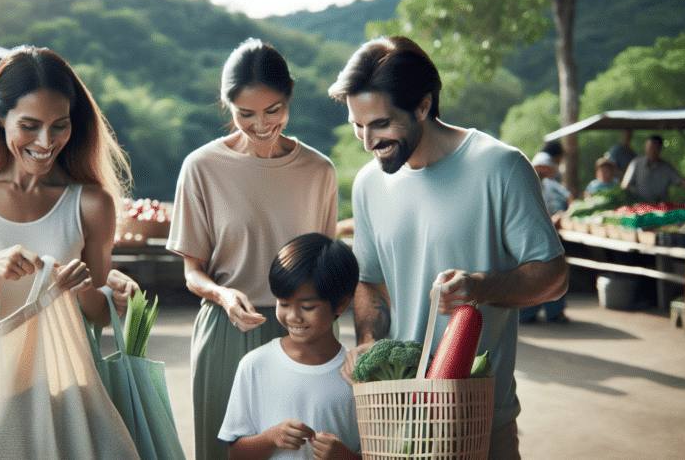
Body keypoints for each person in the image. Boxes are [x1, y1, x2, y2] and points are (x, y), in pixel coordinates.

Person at [328, 36, 568, 460]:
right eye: (357, 125)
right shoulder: (368, 183)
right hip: (396, 418)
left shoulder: (500, 167)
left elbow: (554, 277)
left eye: (380, 124)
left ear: (423, 105)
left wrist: (480, 286)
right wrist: (369, 340)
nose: (367, 141)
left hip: (480, 421)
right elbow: (370, 281)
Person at [0, 45, 141, 459]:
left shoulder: (90, 203)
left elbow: (98, 315)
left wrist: (81, 288)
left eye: (60, 125)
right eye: (30, 125)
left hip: (64, 396)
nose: (46, 141)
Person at [166, 38, 338, 460]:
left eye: (273, 110)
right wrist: (223, 295)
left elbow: (325, 272)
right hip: (228, 330)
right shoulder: (201, 168)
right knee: (224, 453)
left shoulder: (319, 171)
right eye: (245, 114)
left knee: (298, 452)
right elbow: (193, 272)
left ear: (289, 97)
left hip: (300, 329)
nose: (261, 124)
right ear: (228, 106)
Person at [218, 233, 361, 460]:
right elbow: (235, 454)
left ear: (341, 304)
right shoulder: (255, 365)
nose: (293, 316)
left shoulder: (356, 377)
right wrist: (270, 438)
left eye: (307, 307)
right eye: (283, 303)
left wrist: (346, 457)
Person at [520, 152, 572, 324]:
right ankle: (527, 313)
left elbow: (568, 197)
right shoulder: (525, 183)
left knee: (554, 272)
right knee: (534, 274)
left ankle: (554, 312)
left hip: (548, 236)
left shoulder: (549, 185)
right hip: (530, 238)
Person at [621, 134, 685, 202]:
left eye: (652, 148)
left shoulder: (667, 168)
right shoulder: (636, 163)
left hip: (661, 208)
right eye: (647, 147)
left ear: (659, 149)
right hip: (638, 207)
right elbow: (625, 185)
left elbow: (681, 180)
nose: (649, 150)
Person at [532, 151, 573, 226]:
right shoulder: (530, 186)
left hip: (558, 219)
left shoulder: (549, 182)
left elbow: (569, 196)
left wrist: (567, 213)